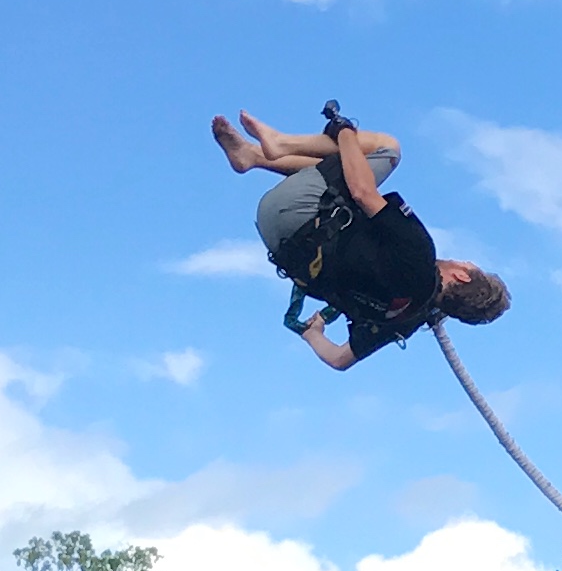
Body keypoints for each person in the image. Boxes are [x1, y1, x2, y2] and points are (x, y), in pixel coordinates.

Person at [212, 104, 510, 372]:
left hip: (298, 211)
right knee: (349, 177)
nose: (462, 259)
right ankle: (253, 156)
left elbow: (362, 192)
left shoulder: (419, 253)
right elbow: (339, 360)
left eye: (468, 264)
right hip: (279, 240)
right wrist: (313, 333)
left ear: (462, 275)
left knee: (388, 149)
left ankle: (280, 143)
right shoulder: (406, 319)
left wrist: (343, 130)